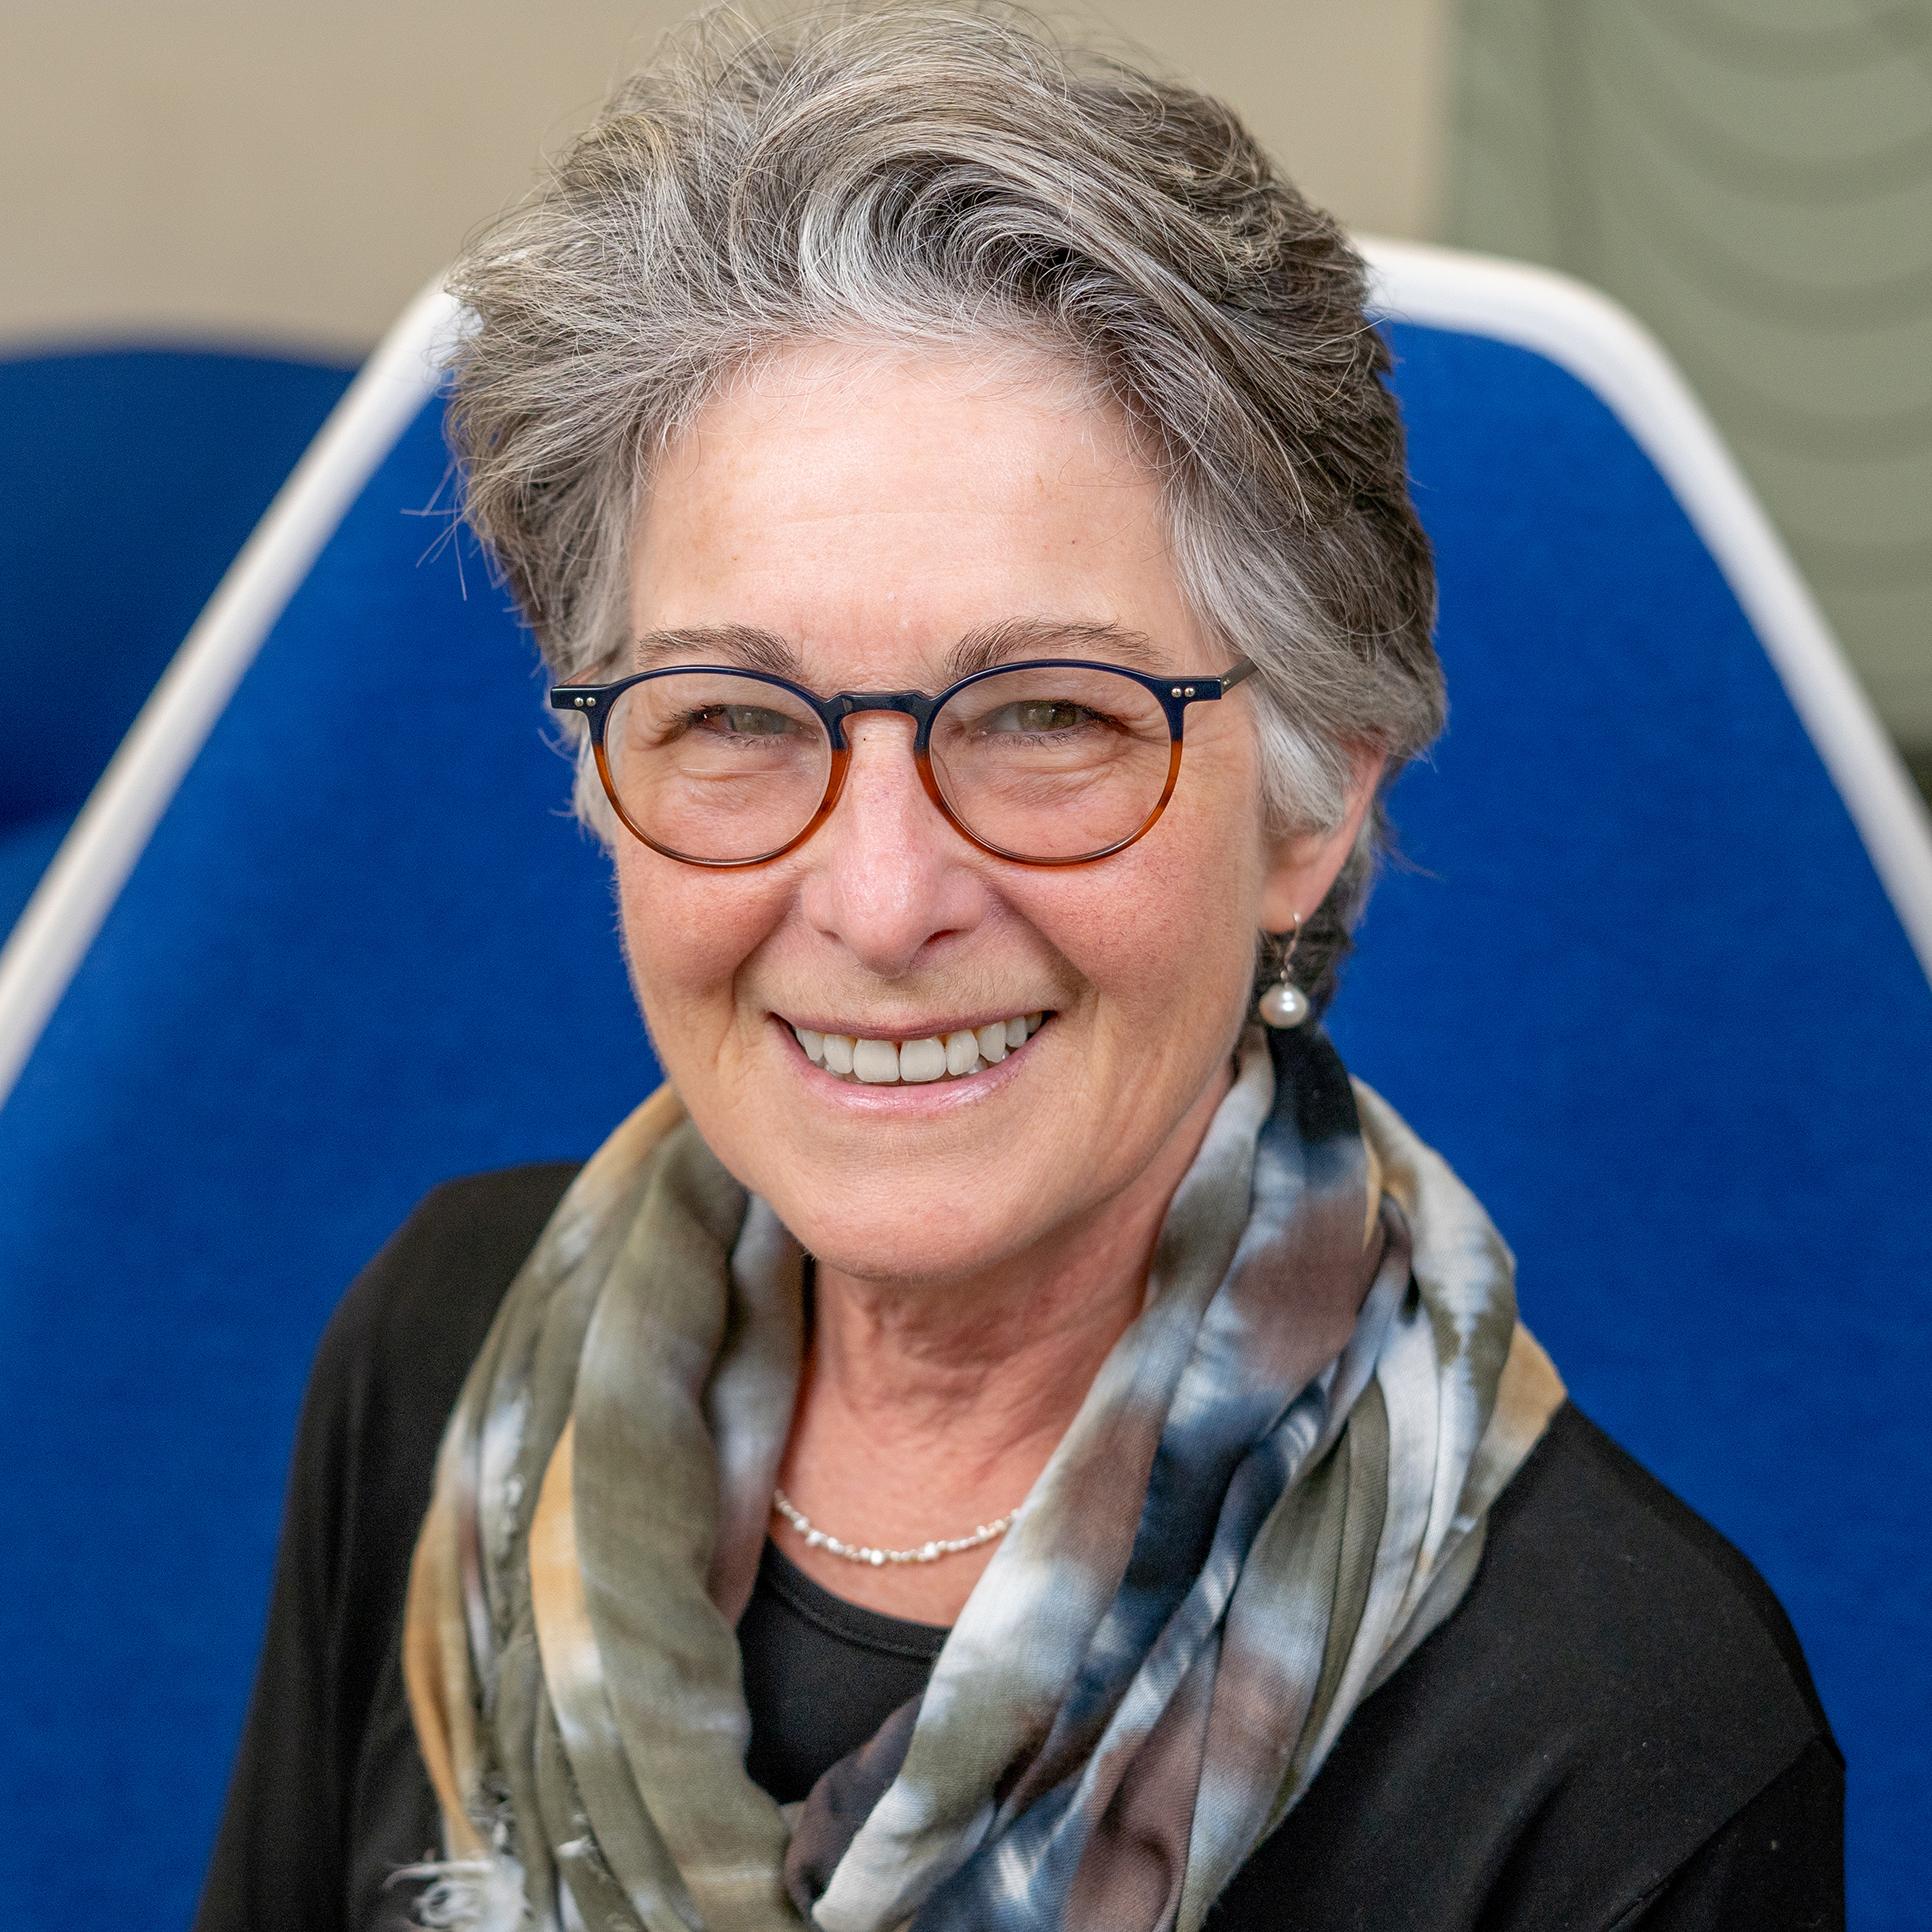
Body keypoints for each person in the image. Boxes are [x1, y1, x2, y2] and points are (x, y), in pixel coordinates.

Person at [193, 5, 1843, 1928]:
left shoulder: (1613, 1737)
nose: (881, 898)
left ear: (1308, 814)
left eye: (1049, 713)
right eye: (734, 714)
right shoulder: (443, 1354)